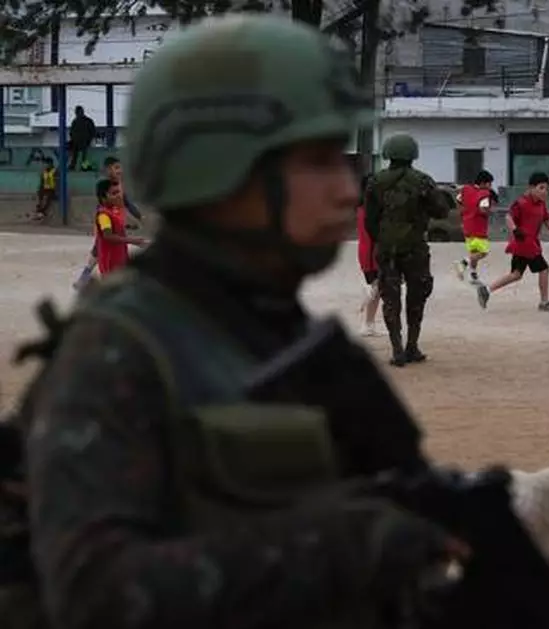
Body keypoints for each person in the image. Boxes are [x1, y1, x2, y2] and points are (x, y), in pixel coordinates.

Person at [22, 16, 468, 629]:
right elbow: (94, 593)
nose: (347, 191)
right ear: (221, 171)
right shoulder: (120, 350)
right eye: (318, 163)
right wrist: (343, 548)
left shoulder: (278, 332)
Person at [364, 133, 452, 367]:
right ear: (413, 155)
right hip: (415, 247)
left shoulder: (375, 182)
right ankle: (412, 346)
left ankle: (397, 349)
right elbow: (441, 211)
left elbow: (369, 220)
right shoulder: (423, 181)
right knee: (417, 297)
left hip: (387, 250)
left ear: (388, 154)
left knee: (390, 299)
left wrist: (382, 239)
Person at [475, 172, 549, 312]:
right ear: (531, 187)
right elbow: (508, 217)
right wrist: (515, 230)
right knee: (544, 269)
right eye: (541, 188)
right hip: (525, 243)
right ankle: (544, 302)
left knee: (516, 274)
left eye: (546, 188)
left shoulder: (541, 204)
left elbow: (546, 220)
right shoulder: (522, 202)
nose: (544, 191)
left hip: (528, 244)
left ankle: (486, 290)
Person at [73, 157, 145, 290]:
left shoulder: (119, 185)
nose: (120, 170)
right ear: (108, 170)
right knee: (100, 249)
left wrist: (140, 217)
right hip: (108, 223)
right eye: (116, 168)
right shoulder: (105, 187)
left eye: (120, 167)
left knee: (114, 250)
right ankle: (87, 276)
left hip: (117, 222)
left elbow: (128, 203)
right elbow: (102, 209)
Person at [92, 178, 147, 276]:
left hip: (119, 257)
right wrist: (133, 241)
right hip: (110, 260)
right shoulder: (103, 215)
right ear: (103, 197)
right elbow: (108, 236)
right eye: (114, 193)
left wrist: (129, 226)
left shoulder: (113, 211)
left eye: (118, 192)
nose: (118, 196)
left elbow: (115, 226)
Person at [454, 170, 497, 286]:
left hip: (467, 225)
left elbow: (458, 200)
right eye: (489, 183)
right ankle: (463, 263)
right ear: (483, 183)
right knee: (483, 252)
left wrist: (463, 212)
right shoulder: (484, 194)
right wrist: (490, 211)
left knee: (474, 251)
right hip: (478, 227)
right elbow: (483, 209)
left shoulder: (466, 189)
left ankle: (473, 275)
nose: (490, 186)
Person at [356, 176, 382, 337]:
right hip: (371, 254)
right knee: (375, 288)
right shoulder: (369, 209)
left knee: (377, 289)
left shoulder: (362, 207)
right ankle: (367, 323)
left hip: (367, 252)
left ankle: (369, 323)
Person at [67, 106, 97, 171]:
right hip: (78, 142)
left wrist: (90, 140)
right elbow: (71, 132)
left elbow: (93, 132)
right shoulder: (76, 121)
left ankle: (80, 166)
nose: (77, 114)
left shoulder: (86, 121)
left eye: (78, 112)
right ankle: (75, 166)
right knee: (78, 154)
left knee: (83, 155)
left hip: (84, 141)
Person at [31, 157, 55, 222]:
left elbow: (58, 182)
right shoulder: (44, 171)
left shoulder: (55, 171)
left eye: (47, 164)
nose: (45, 165)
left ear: (51, 164)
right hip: (45, 188)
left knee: (47, 198)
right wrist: (39, 190)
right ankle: (39, 211)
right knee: (40, 196)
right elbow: (42, 182)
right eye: (45, 164)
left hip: (52, 189)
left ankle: (42, 212)